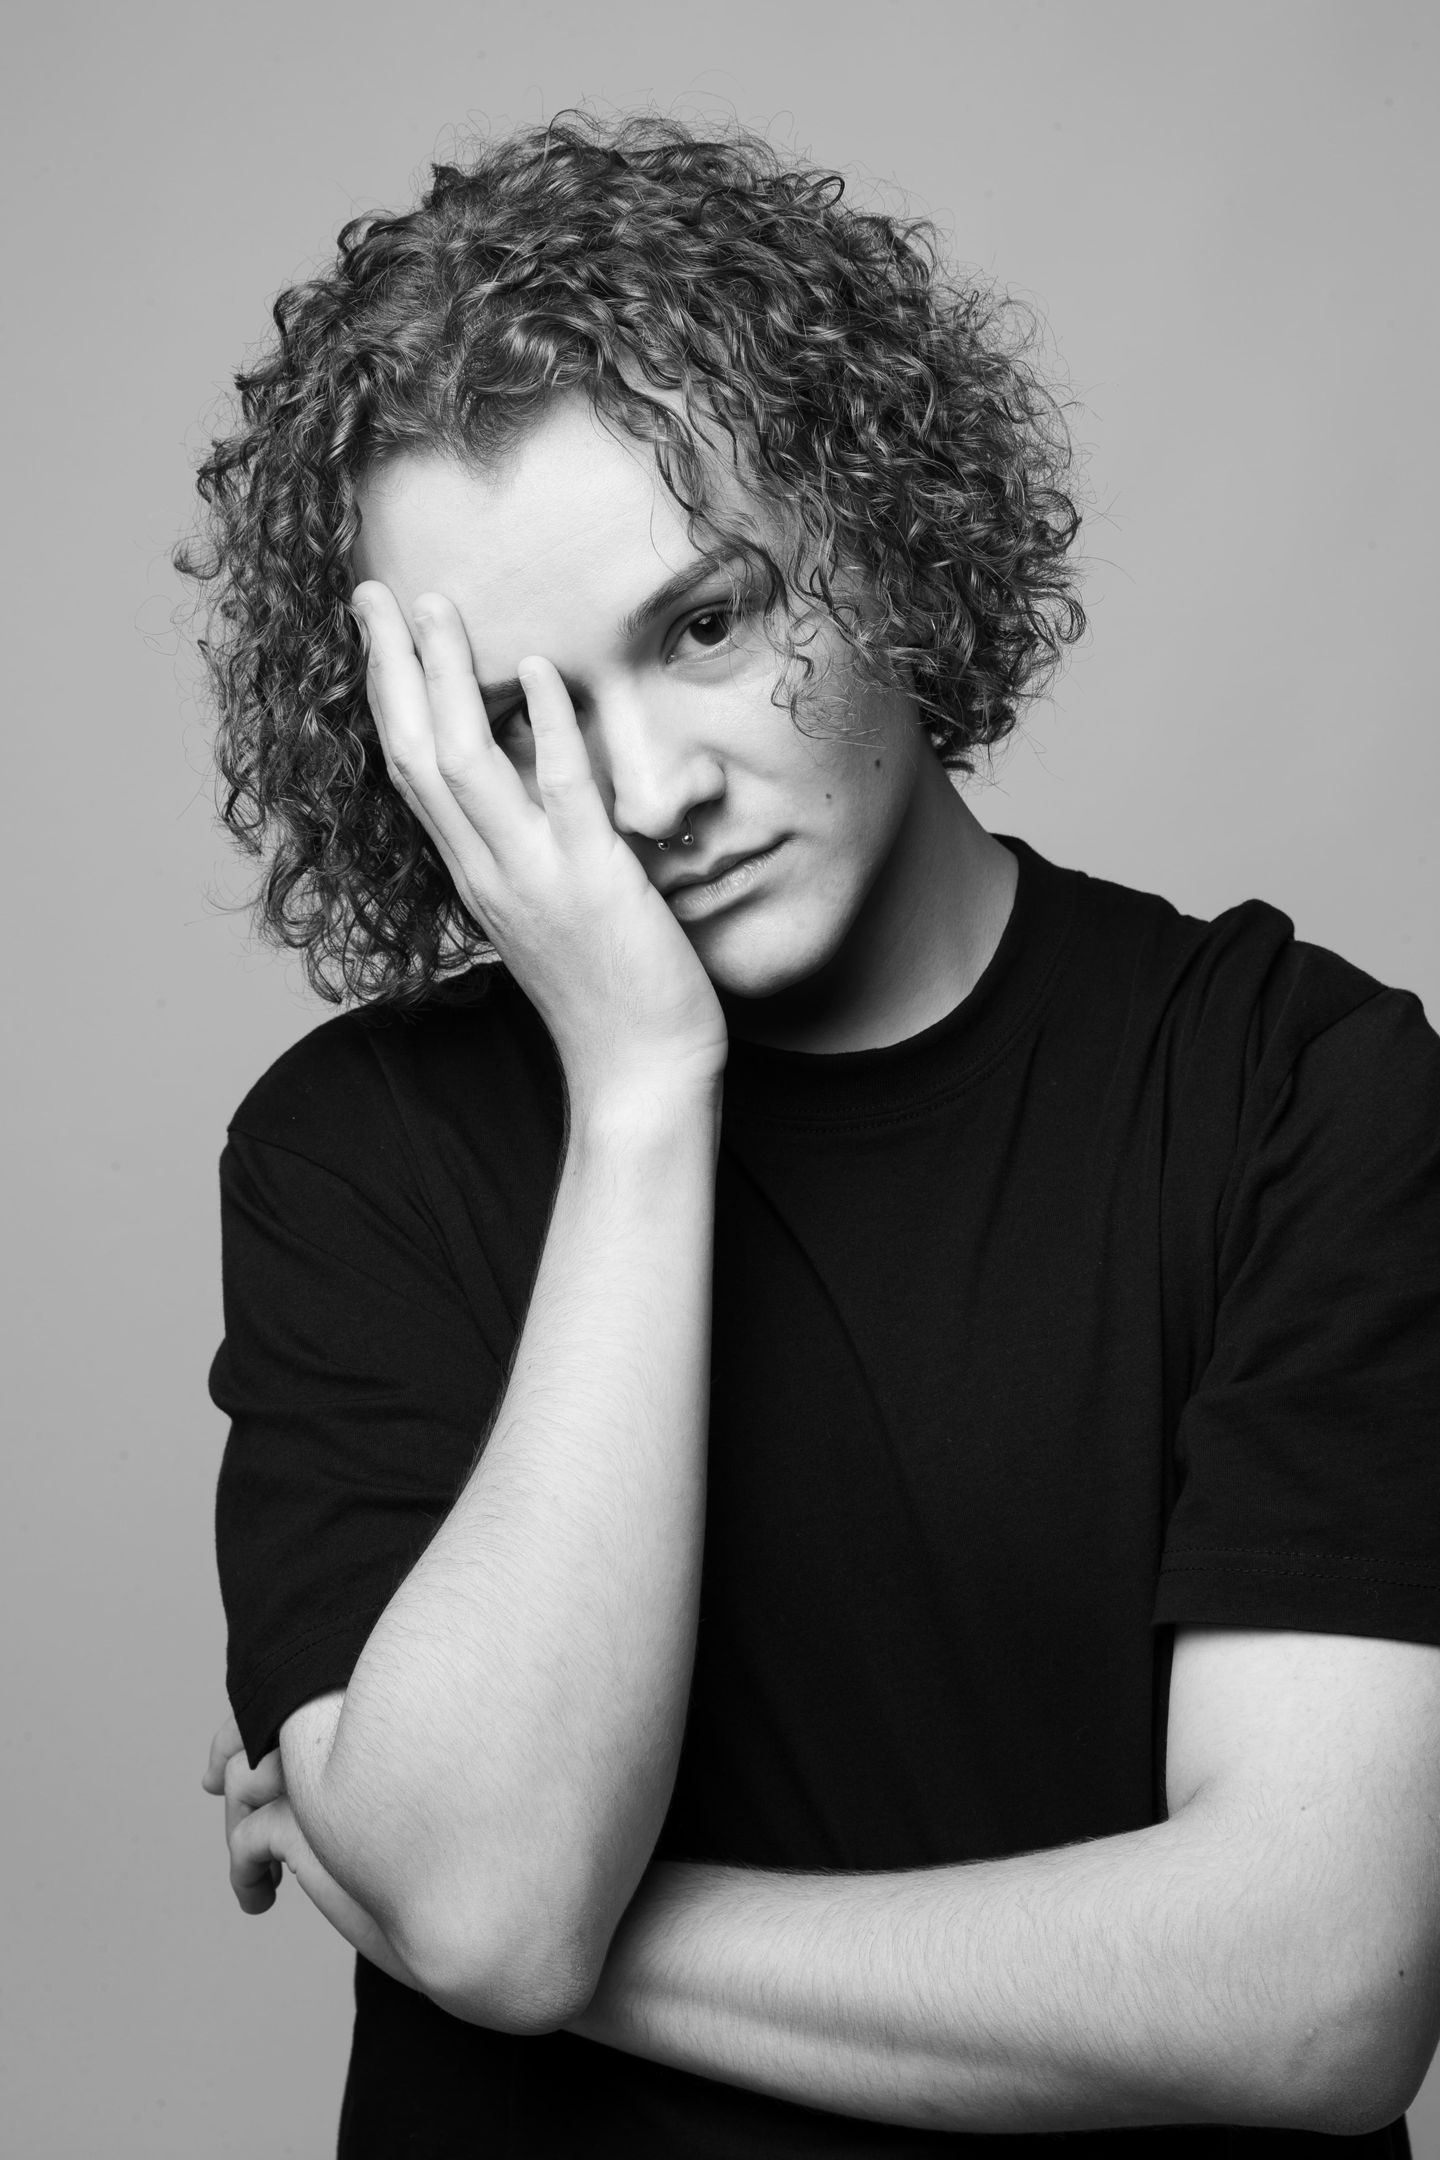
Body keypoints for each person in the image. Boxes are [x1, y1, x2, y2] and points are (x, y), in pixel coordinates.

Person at [187, 113, 1440, 2157]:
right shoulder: (356, 1155)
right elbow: (495, 1898)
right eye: (515, 722)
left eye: (705, 624)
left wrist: (533, 1944)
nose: (647, 790)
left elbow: (1318, 1994)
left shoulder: (1296, 1087)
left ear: (885, 527)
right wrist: (640, 1088)